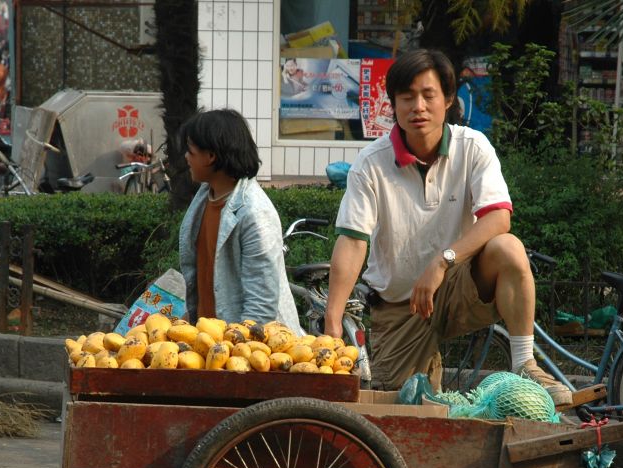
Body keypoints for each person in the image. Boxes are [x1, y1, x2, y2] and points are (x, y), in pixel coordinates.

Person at [323, 48, 572, 405]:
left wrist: (442, 262)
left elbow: (499, 217)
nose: (418, 107)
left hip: (458, 284)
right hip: (399, 304)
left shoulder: (473, 147)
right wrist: (332, 321)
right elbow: (353, 241)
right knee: (400, 409)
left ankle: (524, 364)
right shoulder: (371, 163)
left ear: (448, 99)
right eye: (407, 97)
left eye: (428, 95)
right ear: (393, 103)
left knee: (508, 248)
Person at [177, 108, 301, 331]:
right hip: (211, 340)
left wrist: (240, 353)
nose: (186, 157)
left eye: (191, 151)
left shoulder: (254, 213)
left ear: (211, 156)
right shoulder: (205, 196)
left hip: (246, 349)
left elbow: (260, 307)